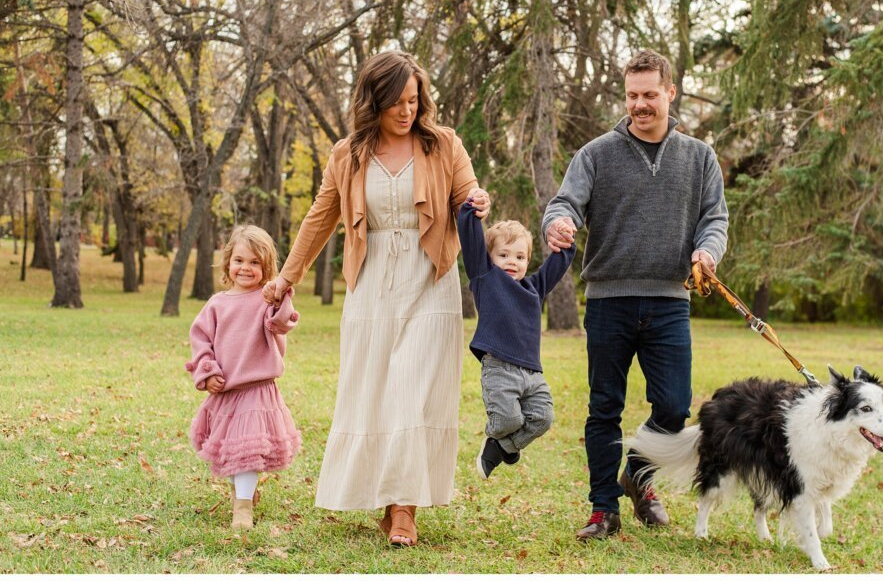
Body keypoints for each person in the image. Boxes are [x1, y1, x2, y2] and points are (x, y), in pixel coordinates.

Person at [261, 51, 488, 547]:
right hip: (371, 283)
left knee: (411, 388)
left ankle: (404, 510)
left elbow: (468, 193)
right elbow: (321, 218)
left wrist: (477, 200)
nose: (407, 111)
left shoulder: (443, 144)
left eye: (414, 100)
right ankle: (388, 499)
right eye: (396, 103)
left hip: (430, 279)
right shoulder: (348, 154)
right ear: (374, 102)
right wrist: (286, 277)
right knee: (378, 392)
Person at [541, 49, 729, 541]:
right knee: (604, 407)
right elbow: (565, 203)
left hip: (669, 300)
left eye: (649, 94)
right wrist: (558, 223)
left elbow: (715, 219)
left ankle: (638, 477)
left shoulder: (699, 157)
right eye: (631, 96)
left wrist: (707, 252)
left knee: (673, 406)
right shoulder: (597, 153)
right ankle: (604, 508)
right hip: (609, 300)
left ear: (670, 91)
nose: (639, 105)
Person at [185, 225, 302, 531]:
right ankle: (242, 492)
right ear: (228, 263)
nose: (245, 268)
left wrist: (280, 296)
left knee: (247, 453)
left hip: (257, 389)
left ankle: (243, 507)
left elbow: (281, 323)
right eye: (239, 260)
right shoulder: (217, 304)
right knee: (232, 452)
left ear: (266, 267)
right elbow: (200, 342)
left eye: (254, 263)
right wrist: (207, 371)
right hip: (226, 391)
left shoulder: (266, 301)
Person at [457, 193, 576, 479]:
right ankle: (499, 438)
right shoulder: (484, 276)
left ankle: (500, 447)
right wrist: (471, 209)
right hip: (499, 367)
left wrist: (565, 240)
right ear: (489, 257)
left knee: (543, 418)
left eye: (520, 257)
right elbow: (470, 237)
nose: (513, 262)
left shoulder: (535, 287)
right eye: (504, 255)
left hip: (533, 373)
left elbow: (559, 262)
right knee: (507, 420)